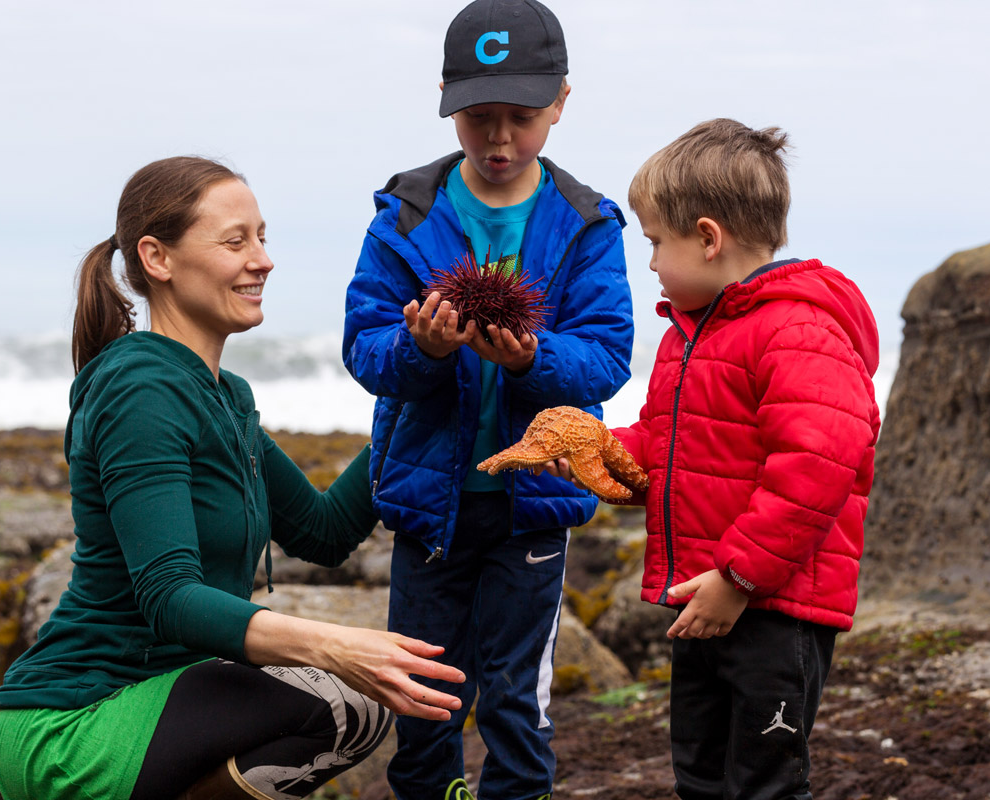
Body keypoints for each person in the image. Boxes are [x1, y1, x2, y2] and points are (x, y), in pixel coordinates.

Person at [0, 156, 465, 800]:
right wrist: (333, 645)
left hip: (164, 698)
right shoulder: (141, 389)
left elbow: (324, 533)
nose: (263, 259)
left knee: (356, 702)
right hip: (78, 723)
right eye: (235, 240)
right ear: (157, 258)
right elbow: (170, 596)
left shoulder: (223, 396)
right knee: (348, 700)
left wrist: (419, 379)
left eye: (263, 237)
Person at [341, 1, 634, 797]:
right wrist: (423, 349)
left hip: (529, 507)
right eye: (478, 116)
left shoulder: (586, 225)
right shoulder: (404, 219)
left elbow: (607, 356)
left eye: (522, 116)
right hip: (428, 508)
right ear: (445, 99)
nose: (500, 138)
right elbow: (365, 348)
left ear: (561, 104)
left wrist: (535, 358)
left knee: (514, 699)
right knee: (424, 696)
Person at [554, 119, 881, 798]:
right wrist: (605, 454)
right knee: (699, 772)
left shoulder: (798, 329)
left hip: (772, 606)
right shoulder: (692, 333)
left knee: (764, 780)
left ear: (707, 239)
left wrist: (738, 577)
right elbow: (671, 442)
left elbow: (820, 463)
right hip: (701, 596)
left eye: (653, 243)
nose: (648, 263)